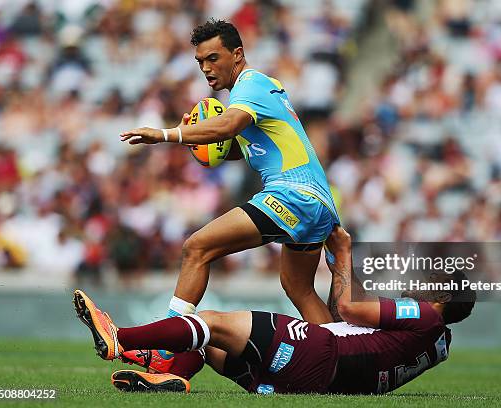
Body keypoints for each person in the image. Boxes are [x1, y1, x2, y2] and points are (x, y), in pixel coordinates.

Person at [117, 18, 341, 378]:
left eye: (213, 58)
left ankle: (165, 349)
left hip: (293, 194)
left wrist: (165, 134)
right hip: (316, 202)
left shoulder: (249, 85)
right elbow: (244, 145)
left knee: (197, 247)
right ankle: (342, 362)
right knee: (298, 287)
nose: (206, 68)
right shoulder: (261, 91)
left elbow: (226, 126)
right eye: (200, 62)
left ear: (237, 54)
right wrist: (205, 143)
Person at [74, 226, 476, 394]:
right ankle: (169, 377)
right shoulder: (441, 340)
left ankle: (119, 338)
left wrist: (345, 253)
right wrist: (331, 266)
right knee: (212, 346)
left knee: (211, 321)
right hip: (318, 379)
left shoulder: (427, 316)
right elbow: (352, 332)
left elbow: (350, 310)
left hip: (317, 355)